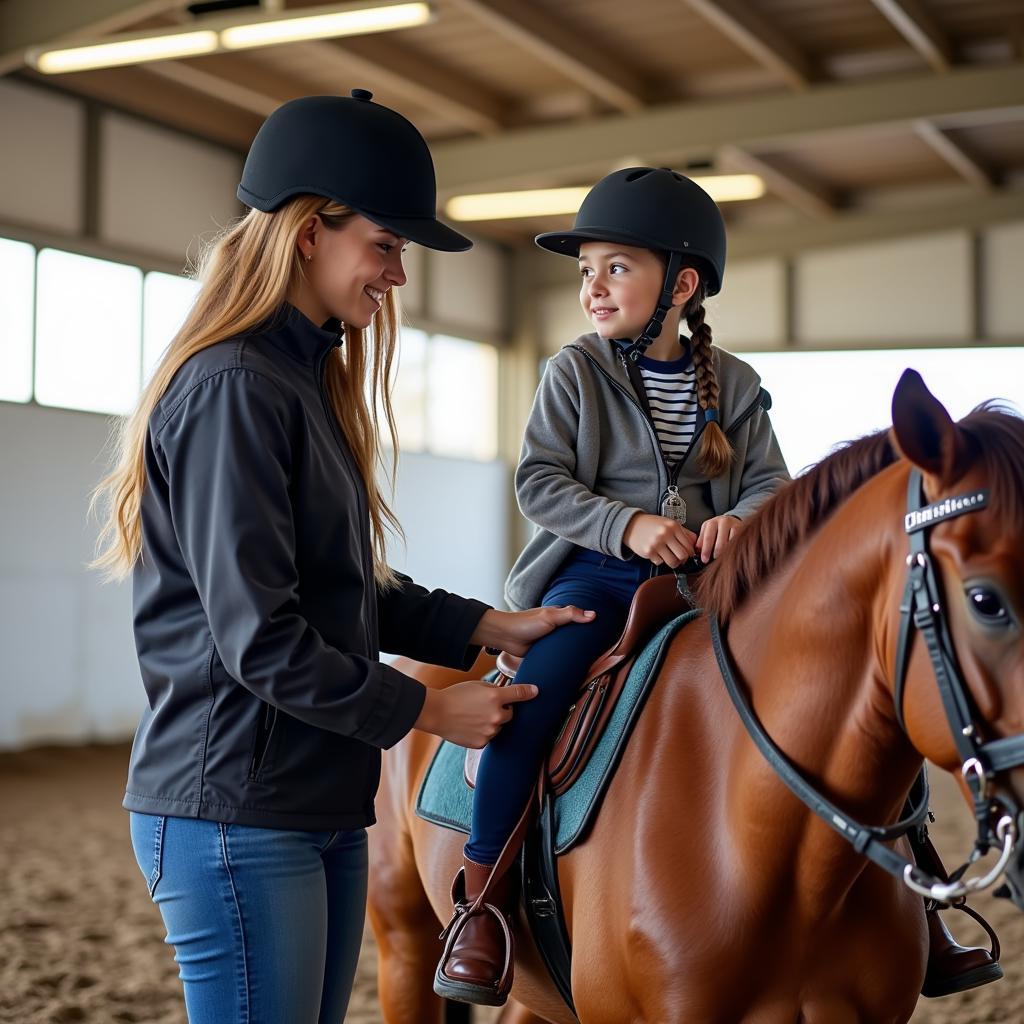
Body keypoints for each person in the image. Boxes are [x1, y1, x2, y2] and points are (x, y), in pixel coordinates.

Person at [434, 167, 1002, 1007]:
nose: (594, 287)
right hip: (595, 577)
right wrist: (627, 527)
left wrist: (743, 520)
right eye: (586, 270)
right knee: (533, 703)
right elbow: (540, 484)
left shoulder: (732, 383)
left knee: (862, 702)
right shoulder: (572, 373)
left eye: (616, 267)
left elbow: (769, 481)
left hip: (711, 580)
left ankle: (920, 890)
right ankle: (481, 904)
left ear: (682, 283)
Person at [90, 90, 594, 1024]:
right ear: (310, 232)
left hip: (314, 800)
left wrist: (485, 623)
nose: (397, 275)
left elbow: (343, 592)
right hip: (234, 811)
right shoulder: (237, 389)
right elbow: (261, 638)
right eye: (387, 245)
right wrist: (432, 708)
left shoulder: (299, 381)